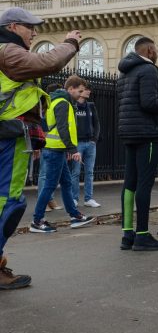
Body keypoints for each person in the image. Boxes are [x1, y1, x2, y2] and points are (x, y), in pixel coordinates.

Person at [0, 7, 81, 290]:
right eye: (29, 26)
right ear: (12, 27)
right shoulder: (8, 51)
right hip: (8, 137)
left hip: (11, 136)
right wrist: (70, 43)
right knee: (9, 201)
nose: (34, 32)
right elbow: (48, 62)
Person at [117, 37, 158, 252]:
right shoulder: (149, 70)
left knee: (130, 182)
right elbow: (149, 102)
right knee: (144, 183)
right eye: (157, 49)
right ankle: (142, 235)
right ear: (150, 50)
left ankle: (127, 234)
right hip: (147, 132)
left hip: (129, 132)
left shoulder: (125, 71)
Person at [30, 75, 96, 233]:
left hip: (57, 149)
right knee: (50, 186)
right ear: (70, 88)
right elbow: (62, 127)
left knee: (65, 184)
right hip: (55, 150)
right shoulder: (62, 103)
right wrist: (72, 150)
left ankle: (75, 216)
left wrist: (67, 149)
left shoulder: (59, 101)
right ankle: (37, 221)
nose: (81, 94)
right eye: (79, 91)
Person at [71, 84, 100, 207]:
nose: (88, 91)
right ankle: (74, 198)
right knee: (75, 172)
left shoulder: (91, 106)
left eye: (89, 89)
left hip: (90, 143)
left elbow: (97, 124)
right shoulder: (73, 107)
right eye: (86, 89)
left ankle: (88, 199)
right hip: (77, 144)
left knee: (90, 172)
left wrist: (94, 139)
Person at [37, 83, 64, 213]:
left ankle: (50, 199)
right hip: (45, 143)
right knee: (44, 174)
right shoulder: (43, 105)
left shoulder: (53, 105)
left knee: (50, 174)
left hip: (51, 143)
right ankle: (44, 202)